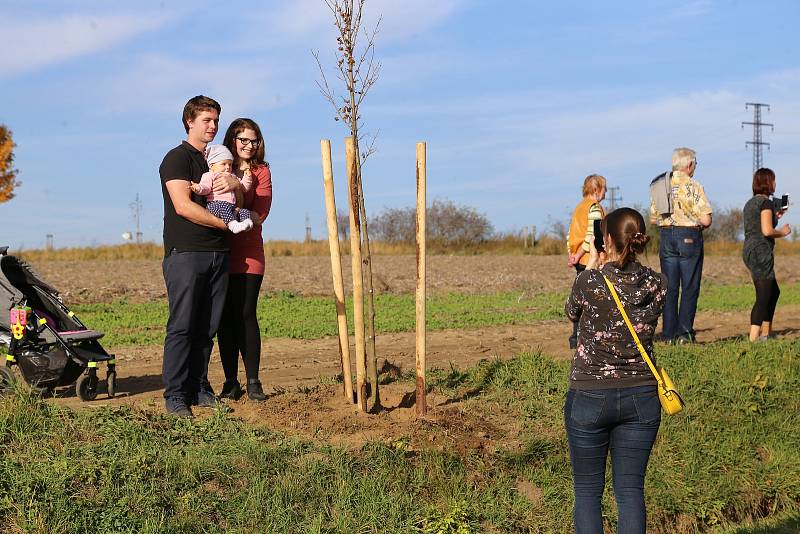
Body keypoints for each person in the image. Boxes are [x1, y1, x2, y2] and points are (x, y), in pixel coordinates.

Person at [565, 207, 668, 533]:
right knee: (630, 491)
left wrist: (594, 262)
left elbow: (571, 312)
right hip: (641, 396)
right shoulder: (657, 283)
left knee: (587, 491)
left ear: (606, 239)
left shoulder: (590, 280)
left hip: (590, 395)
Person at [159, 95, 242, 417]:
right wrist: (226, 224)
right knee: (183, 326)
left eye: (216, 120)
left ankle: (199, 386)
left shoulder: (219, 162)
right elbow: (183, 205)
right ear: (189, 122)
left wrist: (236, 186)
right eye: (206, 120)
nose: (213, 126)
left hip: (219, 252)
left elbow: (238, 194)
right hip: (187, 252)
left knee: (208, 326)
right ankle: (176, 396)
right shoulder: (177, 159)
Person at [216, 118, 273, 401]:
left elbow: (260, 213)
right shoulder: (218, 165)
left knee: (246, 313)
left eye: (254, 140)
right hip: (221, 251)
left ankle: (253, 381)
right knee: (225, 318)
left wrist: (237, 191)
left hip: (250, 252)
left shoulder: (261, 171)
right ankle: (230, 382)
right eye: (243, 140)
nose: (249, 145)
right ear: (233, 141)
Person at [649, 147, 712, 344]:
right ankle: (684, 333)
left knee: (670, 287)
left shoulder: (660, 184)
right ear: (689, 165)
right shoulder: (693, 186)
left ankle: (668, 335)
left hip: (667, 236)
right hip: (689, 237)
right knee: (690, 286)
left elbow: (653, 218)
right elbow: (706, 219)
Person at [742, 168, 791, 342]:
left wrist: (776, 216)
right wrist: (783, 232)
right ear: (768, 183)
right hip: (761, 251)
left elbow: (758, 224)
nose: (775, 183)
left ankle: (765, 334)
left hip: (749, 250)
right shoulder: (766, 203)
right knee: (764, 295)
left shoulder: (750, 203)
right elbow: (767, 230)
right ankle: (754, 339)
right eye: (774, 180)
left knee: (773, 291)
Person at [566, 174, 607, 349]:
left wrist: (572, 254)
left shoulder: (578, 207)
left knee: (580, 297)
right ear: (597, 190)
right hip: (590, 259)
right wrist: (584, 253)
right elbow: (593, 236)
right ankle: (588, 337)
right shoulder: (594, 207)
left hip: (578, 258)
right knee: (593, 299)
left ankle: (575, 337)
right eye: (604, 188)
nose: (605, 192)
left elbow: (570, 235)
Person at [191, 144, 254, 234]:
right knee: (224, 207)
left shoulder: (232, 176)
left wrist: (247, 177)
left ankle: (247, 223)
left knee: (243, 211)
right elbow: (206, 187)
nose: (228, 167)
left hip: (231, 207)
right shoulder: (210, 175)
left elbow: (244, 187)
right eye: (223, 164)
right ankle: (233, 225)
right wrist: (198, 188)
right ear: (211, 166)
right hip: (215, 205)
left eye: (230, 164)